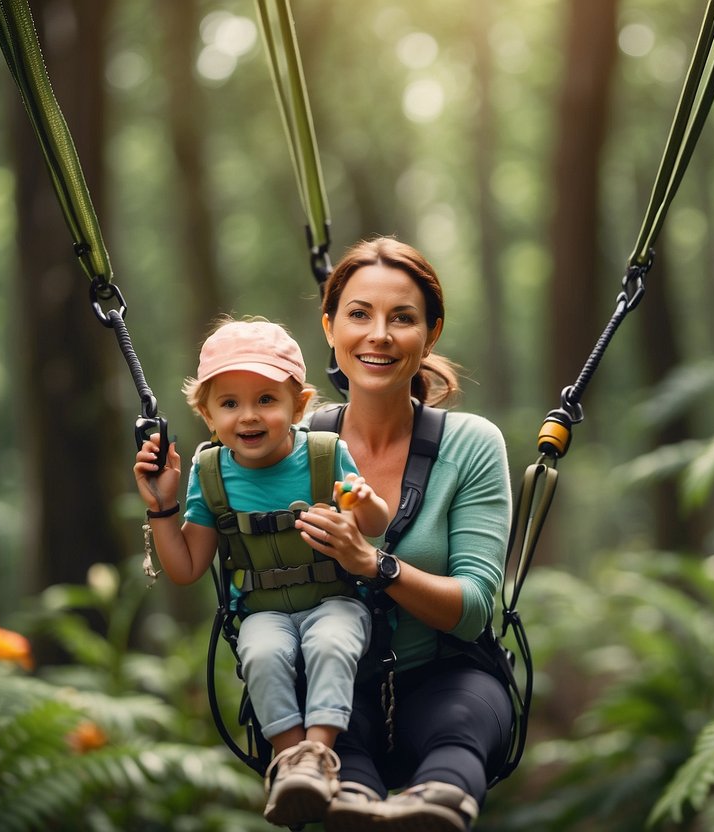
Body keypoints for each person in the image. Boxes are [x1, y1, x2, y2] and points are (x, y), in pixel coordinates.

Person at [292, 237, 514, 832]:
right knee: (338, 776)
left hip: (449, 672)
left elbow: (472, 610)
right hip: (329, 685)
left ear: (431, 334)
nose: (379, 335)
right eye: (359, 314)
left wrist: (375, 564)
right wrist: (164, 508)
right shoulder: (285, 448)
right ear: (329, 327)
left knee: (458, 736)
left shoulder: (471, 445)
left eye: (403, 318)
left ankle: (437, 807)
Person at [133, 317, 390, 828]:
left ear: (299, 405)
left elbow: (376, 527)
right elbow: (185, 568)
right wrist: (161, 507)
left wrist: (365, 503)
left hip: (333, 601)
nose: (247, 416)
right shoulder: (211, 474)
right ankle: (289, 760)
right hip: (263, 613)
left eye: (266, 400)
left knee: (330, 644)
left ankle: (317, 755)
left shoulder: (324, 454)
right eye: (229, 403)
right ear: (206, 413)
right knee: (263, 652)